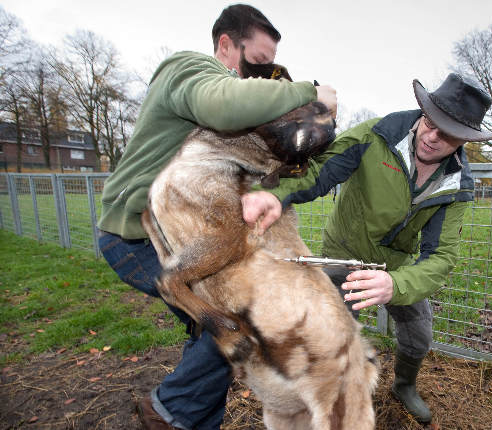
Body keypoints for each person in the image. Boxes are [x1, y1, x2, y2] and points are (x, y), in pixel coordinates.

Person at [96, 4, 337, 429]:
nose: (261, 79)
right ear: (225, 44)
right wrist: (310, 92)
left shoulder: (237, 122)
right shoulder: (186, 70)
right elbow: (223, 104)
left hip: (182, 232)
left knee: (217, 335)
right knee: (238, 319)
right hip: (137, 236)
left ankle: (189, 418)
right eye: (258, 63)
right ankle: (167, 412)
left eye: (270, 69)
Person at [241, 73, 492, 423]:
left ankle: (404, 385)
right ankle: (332, 402)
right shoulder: (375, 137)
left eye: (448, 134)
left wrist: (397, 284)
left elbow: (441, 256)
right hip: (343, 257)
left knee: (419, 334)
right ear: (423, 112)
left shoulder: (457, 185)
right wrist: (274, 195)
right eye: (430, 122)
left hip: (393, 269)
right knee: (335, 338)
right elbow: (319, 173)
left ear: (463, 140)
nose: (433, 136)